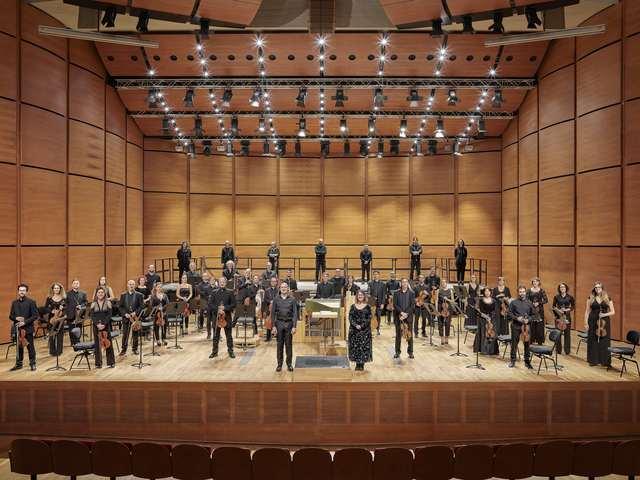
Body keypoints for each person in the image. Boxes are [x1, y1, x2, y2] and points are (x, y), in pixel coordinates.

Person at [584, 282, 614, 367]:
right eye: (596, 287)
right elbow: (587, 311)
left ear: (602, 288)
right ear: (594, 289)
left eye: (599, 287)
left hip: (604, 322)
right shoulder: (591, 297)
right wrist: (585, 322)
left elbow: (612, 312)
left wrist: (604, 314)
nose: (597, 289)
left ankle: (605, 361)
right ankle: (593, 360)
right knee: (592, 340)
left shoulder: (607, 297)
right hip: (592, 321)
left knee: (604, 341)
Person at [9, 284, 39, 371]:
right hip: (18, 329)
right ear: (18, 291)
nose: (21, 292)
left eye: (23, 290)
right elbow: (11, 316)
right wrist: (15, 318)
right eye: (20, 290)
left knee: (30, 347)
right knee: (19, 348)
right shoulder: (14, 303)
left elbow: (35, 316)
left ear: (26, 291)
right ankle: (19, 364)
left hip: (28, 328)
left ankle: (32, 363)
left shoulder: (31, 302)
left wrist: (24, 322)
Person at [271, 281, 298, 372]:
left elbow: (295, 314)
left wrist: (294, 326)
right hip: (279, 323)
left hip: (289, 324)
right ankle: (279, 364)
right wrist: (273, 326)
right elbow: (272, 314)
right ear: (280, 289)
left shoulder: (292, 299)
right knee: (279, 345)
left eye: (285, 287)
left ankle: (289, 364)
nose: (283, 288)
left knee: (288, 345)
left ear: (288, 289)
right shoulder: (276, 299)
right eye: (282, 287)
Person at [507, 286, 535, 369]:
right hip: (516, 325)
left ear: (525, 292)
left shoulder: (529, 303)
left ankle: (527, 361)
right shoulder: (513, 302)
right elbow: (509, 313)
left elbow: (533, 315)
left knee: (527, 344)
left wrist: (528, 319)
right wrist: (517, 318)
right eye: (520, 292)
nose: (522, 293)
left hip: (526, 327)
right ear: (518, 293)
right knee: (514, 344)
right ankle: (512, 361)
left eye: (523, 291)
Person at [209, 276, 236, 358]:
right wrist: (218, 310)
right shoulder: (214, 292)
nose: (222, 283)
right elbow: (210, 304)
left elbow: (234, 304)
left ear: (226, 283)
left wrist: (225, 308)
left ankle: (230, 351)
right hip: (216, 317)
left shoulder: (230, 292)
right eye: (220, 282)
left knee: (229, 336)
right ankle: (214, 352)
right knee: (215, 336)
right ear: (218, 283)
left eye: (223, 282)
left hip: (227, 317)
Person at [91, 286, 116, 368]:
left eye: (102, 292)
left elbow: (109, 315)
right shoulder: (93, 304)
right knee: (97, 344)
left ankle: (111, 362)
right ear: (96, 294)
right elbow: (92, 316)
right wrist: (97, 324)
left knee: (108, 343)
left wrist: (104, 324)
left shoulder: (108, 303)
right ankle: (98, 363)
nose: (100, 294)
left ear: (105, 294)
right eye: (99, 292)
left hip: (106, 325)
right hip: (96, 326)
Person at [118, 279, 145, 356]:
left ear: (134, 285)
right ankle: (123, 350)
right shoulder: (123, 295)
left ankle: (135, 349)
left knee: (135, 333)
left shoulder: (139, 295)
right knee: (125, 334)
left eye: (133, 284)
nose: (131, 286)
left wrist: (135, 312)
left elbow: (142, 306)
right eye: (130, 284)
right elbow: (120, 307)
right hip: (126, 318)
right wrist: (125, 314)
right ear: (127, 285)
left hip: (135, 317)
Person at [348, 290, 373, 371]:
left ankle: (361, 364)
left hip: (365, 331)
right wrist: (355, 325)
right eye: (358, 295)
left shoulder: (368, 307)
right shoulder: (353, 306)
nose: (360, 296)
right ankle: (357, 364)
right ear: (356, 296)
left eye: (361, 295)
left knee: (363, 347)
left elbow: (369, 318)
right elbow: (350, 317)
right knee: (356, 347)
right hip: (354, 330)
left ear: (364, 296)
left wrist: (362, 326)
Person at [393, 278, 415, 359]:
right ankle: (397, 352)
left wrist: (406, 314)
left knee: (409, 335)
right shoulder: (396, 293)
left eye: (406, 282)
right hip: (399, 317)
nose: (404, 283)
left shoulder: (412, 293)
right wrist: (401, 313)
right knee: (398, 335)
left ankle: (410, 352)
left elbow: (412, 305)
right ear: (401, 283)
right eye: (403, 282)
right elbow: (395, 305)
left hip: (408, 317)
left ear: (407, 283)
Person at [473, 287, 499, 355]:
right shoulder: (481, 300)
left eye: (488, 291)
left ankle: (491, 350)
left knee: (492, 333)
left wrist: (490, 317)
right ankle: (484, 350)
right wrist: (485, 316)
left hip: (491, 319)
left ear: (490, 292)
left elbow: (495, 311)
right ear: (484, 292)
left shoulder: (494, 301)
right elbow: (478, 310)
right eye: (486, 291)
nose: (487, 293)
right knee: (483, 334)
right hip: (483, 320)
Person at [552, 283, 575, 355]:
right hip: (558, 316)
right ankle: (558, 350)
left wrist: (567, 310)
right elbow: (553, 306)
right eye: (561, 287)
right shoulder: (556, 297)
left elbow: (573, 306)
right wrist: (558, 312)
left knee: (567, 333)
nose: (562, 288)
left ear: (566, 288)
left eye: (563, 287)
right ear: (559, 289)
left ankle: (567, 350)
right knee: (558, 333)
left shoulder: (570, 297)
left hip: (567, 316)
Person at [44, 282, 66, 357]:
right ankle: (52, 351)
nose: (56, 289)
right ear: (53, 289)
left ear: (60, 289)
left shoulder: (64, 298)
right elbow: (45, 308)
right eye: (55, 288)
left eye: (58, 288)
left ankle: (59, 351)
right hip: (52, 319)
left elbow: (66, 308)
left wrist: (63, 309)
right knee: (52, 335)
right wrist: (51, 311)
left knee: (60, 335)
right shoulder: (49, 298)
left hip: (60, 318)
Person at [65, 279, 88, 345]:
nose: (76, 285)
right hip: (71, 314)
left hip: (79, 314)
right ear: (72, 285)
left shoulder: (83, 293)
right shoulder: (67, 294)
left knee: (79, 328)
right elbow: (66, 304)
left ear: (79, 285)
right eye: (74, 283)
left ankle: (78, 342)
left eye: (77, 283)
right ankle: (73, 342)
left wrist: (81, 306)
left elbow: (86, 302)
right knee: (71, 329)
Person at [527, 277, 548, 345]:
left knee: (539, 326)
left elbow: (546, 300)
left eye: (536, 281)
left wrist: (538, 303)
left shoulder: (542, 291)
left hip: (539, 310)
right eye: (533, 281)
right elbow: (526, 299)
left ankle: (539, 341)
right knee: (532, 325)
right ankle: (531, 340)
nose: (535, 283)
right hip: (531, 310)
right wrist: (531, 303)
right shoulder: (529, 290)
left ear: (539, 282)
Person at [196, 272, 215, 338]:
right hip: (206, 303)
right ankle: (208, 333)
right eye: (211, 280)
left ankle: (216, 333)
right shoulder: (204, 286)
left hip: (214, 305)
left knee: (215, 320)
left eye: (213, 280)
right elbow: (202, 293)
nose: (212, 281)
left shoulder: (216, 287)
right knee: (208, 320)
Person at [368, 270, 386, 336]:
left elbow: (384, 294)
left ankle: (377, 330)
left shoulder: (383, 284)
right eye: (374, 274)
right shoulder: (370, 283)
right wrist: (371, 299)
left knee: (378, 316)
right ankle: (371, 329)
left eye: (377, 274)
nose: (375, 275)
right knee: (371, 316)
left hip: (379, 303)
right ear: (373, 275)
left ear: (379, 275)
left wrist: (383, 303)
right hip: (372, 302)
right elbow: (368, 293)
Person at [437, 280, 454, 345]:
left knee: (447, 323)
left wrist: (447, 299)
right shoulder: (438, 290)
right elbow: (436, 300)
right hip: (440, 308)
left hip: (448, 308)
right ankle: (442, 337)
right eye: (442, 282)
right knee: (440, 323)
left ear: (446, 283)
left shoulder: (450, 291)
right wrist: (436, 310)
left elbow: (452, 301)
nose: (443, 283)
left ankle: (446, 337)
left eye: (444, 282)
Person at [263, 277, 278, 341]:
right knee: (268, 322)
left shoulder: (278, 290)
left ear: (276, 282)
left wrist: (275, 301)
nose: (273, 282)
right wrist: (270, 301)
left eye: (274, 281)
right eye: (272, 281)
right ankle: (268, 337)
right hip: (269, 308)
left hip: (277, 308)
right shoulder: (267, 290)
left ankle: (277, 336)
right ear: (270, 282)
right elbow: (265, 299)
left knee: (277, 321)